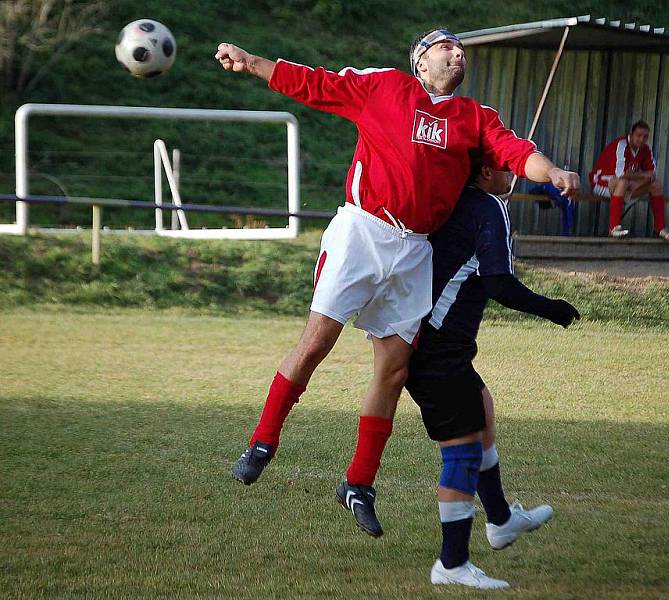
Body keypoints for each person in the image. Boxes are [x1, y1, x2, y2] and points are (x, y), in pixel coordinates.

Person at [215, 28, 580, 538]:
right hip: (363, 230)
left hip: (415, 250)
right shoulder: (385, 87)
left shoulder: (476, 118)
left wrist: (553, 171)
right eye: (447, 48)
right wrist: (252, 60)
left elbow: (518, 154)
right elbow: (315, 84)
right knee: (317, 341)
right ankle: (262, 441)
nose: (457, 55)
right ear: (420, 61)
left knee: (392, 369)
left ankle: (358, 483)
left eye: (462, 52)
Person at [405, 163, 580, 589]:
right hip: (437, 352)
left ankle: (500, 520)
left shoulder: (452, 199)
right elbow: (498, 284)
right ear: (485, 171)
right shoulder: (488, 207)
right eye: (505, 166)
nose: (512, 173)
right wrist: (552, 308)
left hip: (424, 341)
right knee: (462, 452)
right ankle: (451, 564)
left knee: (481, 411)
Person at [589, 121, 669, 240]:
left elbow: (652, 174)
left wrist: (637, 182)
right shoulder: (621, 145)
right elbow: (621, 175)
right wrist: (641, 176)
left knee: (656, 185)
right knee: (623, 182)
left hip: (628, 188)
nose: (642, 139)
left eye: (645, 136)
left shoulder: (645, 149)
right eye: (639, 135)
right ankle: (613, 228)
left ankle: (660, 229)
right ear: (631, 134)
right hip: (601, 182)